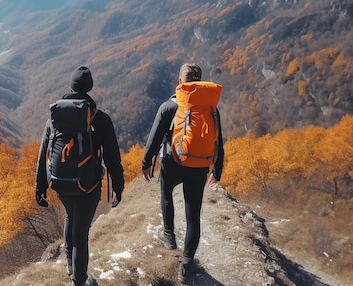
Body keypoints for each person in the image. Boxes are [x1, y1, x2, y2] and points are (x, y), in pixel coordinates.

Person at [36, 66, 125, 286]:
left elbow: (44, 151)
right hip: (88, 185)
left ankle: (70, 266)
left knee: (70, 217)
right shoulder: (100, 118)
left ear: (71, 87)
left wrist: (40, 186)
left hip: (60, 182)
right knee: (81, 233)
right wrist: (118, 186)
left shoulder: (55, 116)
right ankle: (79, 281)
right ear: (90, 89)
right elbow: (112, 158)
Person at [141, 63, 224, 284]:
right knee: (193, 215)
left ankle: (169, 238)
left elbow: (155, 137)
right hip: (199, 167)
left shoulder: (170, 107)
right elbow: (218, 142)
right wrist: (217, 170)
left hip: (172, 164)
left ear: (180, 82)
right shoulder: (211, 110)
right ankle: (187, 265)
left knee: (166, 196)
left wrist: (146, 162)